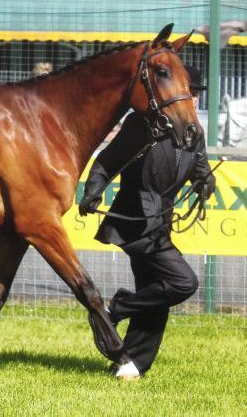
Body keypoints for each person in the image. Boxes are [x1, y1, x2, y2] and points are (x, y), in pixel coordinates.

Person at [79, 66, 216, 379]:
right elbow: (107, 161)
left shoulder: (194, 133)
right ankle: (115, 309)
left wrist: (206, 184)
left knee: (156, 294)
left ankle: (131, 364)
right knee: (183, 282)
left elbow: (201, 171)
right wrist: (93, 192)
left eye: (196, 94)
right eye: (190, 92)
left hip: (160, 225)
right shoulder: (142, 124)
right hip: (134, 221)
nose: (194, 99)